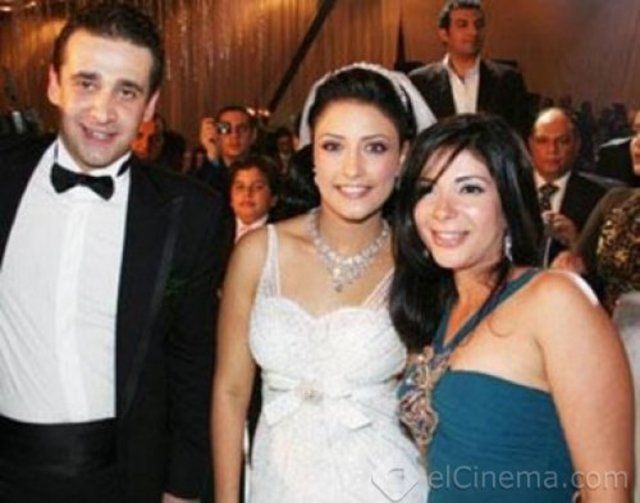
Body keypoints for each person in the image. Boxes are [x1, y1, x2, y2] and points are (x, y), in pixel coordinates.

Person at [0, 5, 225, 502]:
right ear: (54, 84)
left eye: (126, 91)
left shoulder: (191, 215)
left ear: (150, 105)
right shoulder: (4, 175)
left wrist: (184, 489)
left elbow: (193, 363)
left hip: (123, 478)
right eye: (87, 83)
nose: (103, 112)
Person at [212, 62, 435, 503]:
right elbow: (230, 392)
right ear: (310, 152)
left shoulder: (418, 262)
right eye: (333, 146)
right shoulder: (258, 253)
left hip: (386, 485)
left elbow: (428, 402)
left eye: (374, 147)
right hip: (276, 482)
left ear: (403, 157)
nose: (352, 169)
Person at [392, 114, 633, 501]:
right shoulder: (439, 308)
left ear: (509, 202)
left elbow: (608, 494)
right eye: (427, 190)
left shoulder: (555, 301)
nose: (442, 210)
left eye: (469, 189)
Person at [409, 0, 529, 136]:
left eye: (478, 25)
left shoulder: (508, 80)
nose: (473, 32)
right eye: (463, 25)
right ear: (444, 34)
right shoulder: (420, 82)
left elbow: (519, 135)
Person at [528, 107, 608, 265]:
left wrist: (577, 242)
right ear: (530, 144)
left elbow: (608, 267)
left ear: (577, 145)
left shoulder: (599, 197)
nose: (552, 150)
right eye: (543, 141)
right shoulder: (509, 188)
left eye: (562, 141)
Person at [194, 104, 257, 200]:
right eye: (225, 129)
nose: (234, 135)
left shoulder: (265, 173)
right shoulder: (202, 173)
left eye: (242, 128)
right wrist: (212, 157)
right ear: (216, 133)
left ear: (253, 135)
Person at [229, 155, 279, 243]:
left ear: (273, 199)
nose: (247, 193)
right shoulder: (214, 230)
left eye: (257, 187)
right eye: (240, 187)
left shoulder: (281, 235)